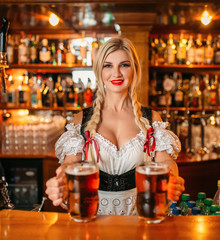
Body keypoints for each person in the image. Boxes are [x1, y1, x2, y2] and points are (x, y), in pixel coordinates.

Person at [45, 37, 185, 215]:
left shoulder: (150, 118)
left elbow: (165, 161)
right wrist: (61, 180)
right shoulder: (82, 119)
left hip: (142, 215)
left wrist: (171, 179)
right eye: (108, 65)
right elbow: (70, 163)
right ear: (99, 71)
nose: (116, 73)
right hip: (93, 215)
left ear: (134, 69)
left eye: (124, 65)